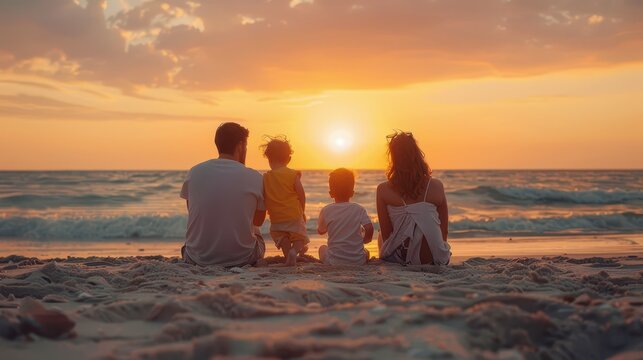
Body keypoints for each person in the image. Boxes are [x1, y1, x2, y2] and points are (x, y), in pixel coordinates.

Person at [179, 122, 266, 267]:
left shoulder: (194, 172)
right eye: (245, 147)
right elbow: (258, 221)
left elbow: (192, 210)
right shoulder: (255, 177)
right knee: (256, 231)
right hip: (242, 258)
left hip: (196, 258)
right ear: (240, 146)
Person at [377, 131, 451, 265]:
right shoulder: (436, 186)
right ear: (417, 154)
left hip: (402, 258)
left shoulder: (383, 190)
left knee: (380, 235)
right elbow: (444, 230)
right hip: (434, 258)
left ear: (393, 158)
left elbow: (387, 234)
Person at [261, 136, 309, 266]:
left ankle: (289, 256)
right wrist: (302, 211)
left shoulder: (265, 178)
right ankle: (294, 252)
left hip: (276, 218)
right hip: (293, 214)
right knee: (300, 236)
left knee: (282, 237)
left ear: (268, 159)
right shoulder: (292, 174)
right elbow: (301, 194)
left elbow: (264, 197)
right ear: (288, 159)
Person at [317, 168, 374, 265]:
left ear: (331, 194)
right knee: (366, 252)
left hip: (334, 262)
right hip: (358, 261)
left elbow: (321, 231)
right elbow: (369, 227)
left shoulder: (326, 210)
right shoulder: (359, 209)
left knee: (322, 248)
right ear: (352, 193)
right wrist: (366, 239)